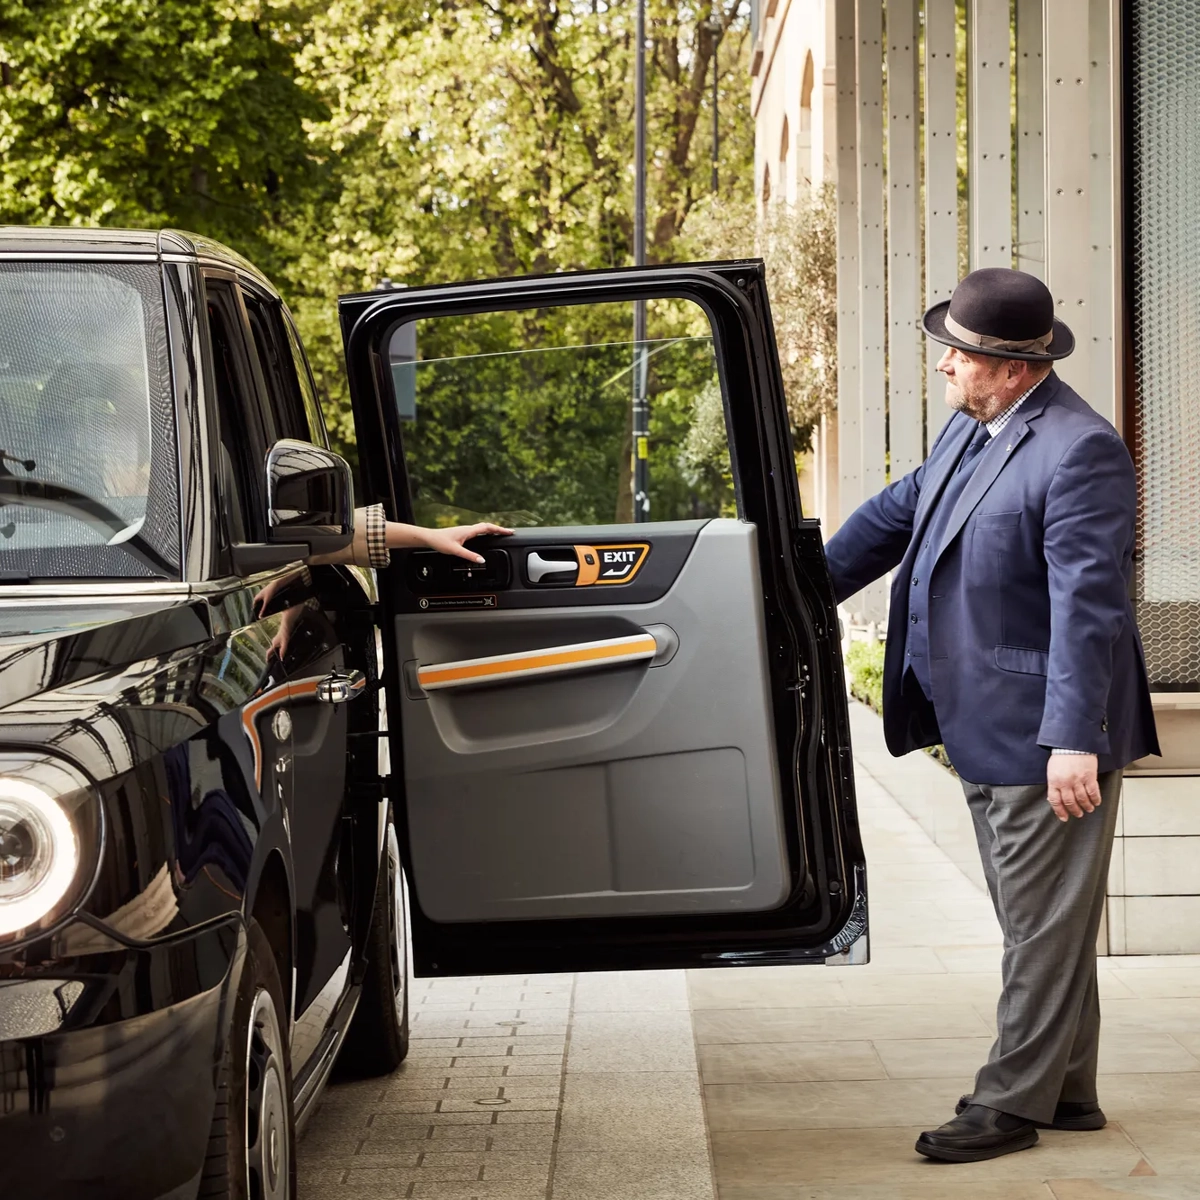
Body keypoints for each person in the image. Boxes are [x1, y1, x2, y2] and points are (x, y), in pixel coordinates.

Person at [823, 268, 1159, 1164]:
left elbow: (1089, 605)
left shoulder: (1081, 449)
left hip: (1042, 732)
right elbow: (903, 510)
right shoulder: (975, 427)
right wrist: (794, 589)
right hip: (980, 721)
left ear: (1013, 369)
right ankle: (1071, 1093)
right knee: (1042, 922)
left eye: (958, 355)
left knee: (1040, 926)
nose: (943, 367)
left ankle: (1007, 1103)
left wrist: (1069, 742)